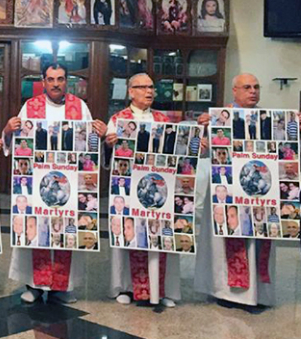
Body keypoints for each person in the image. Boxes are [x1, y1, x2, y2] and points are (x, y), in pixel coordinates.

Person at [3, 62, 107, 305]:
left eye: (60, 79)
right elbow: (16, 142)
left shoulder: (79, 107)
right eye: (51, 79)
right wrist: (8, 130)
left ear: (67, 81)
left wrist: (99, 135)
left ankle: (62, 286)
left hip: (68, 183)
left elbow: (91, 146)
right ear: (43, 81)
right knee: (36, 230)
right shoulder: (31, 106)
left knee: (65, 230)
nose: (56, 83)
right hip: (38, 182)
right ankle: (35, 285)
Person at [195, 73, 281, 313]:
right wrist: (202, 134)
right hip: (228, 190)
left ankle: (258, 294)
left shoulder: (269, 120)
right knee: (228, 239)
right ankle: (226, 292)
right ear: (235, 91)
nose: (253, 91)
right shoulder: (219, 119)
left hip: (260, 193)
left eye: (256, 86)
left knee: (257, 241)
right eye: (247, 87)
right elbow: (201, 153)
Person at [105, 73, 181, 308]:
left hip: (159, 186)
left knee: (159, 233)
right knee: (130, 232)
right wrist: (108, 146)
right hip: (127, 188)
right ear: (130, 91)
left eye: (151, 87)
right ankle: (126, 287)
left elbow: (176, 153)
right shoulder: (118, 120)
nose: (148, 91)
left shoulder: (164, 120)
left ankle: (162, 289)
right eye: (142, 87)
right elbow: (107, 159)